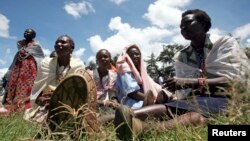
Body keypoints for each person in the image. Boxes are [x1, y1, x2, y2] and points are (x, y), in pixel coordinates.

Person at [114, 9, 250, 140]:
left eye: (188, 23)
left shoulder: (224, 44)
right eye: (181, 26)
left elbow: (237, 80)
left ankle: (142, 129)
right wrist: (180, 88)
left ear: (202, 24)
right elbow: (187, 91)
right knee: (169, 108)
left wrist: (194, 82)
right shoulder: (182, 56)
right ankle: (113, 119)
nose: (183, 28)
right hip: (199, 99)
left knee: (194, 116)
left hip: (228, 98)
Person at [24, 35, 86, 123]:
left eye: (63, 42)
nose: (58, 44)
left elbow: (78, 92)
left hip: (68, 104)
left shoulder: (78, 66)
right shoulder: (45, 63)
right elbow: (38, 87)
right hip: (46, 104)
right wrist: (39, 99)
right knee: (37, 120)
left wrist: (58, 98)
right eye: (57, 42)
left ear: (71, 48)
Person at [0, 28, 45, 114]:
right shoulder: (21, 44)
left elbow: (40, 57)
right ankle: (11, 107)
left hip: (30, 70)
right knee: (14, 85)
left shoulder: (36, 46)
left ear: (33, 35)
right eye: (25, 31)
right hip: (17, 68)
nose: (26, 33)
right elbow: (19, 49)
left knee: (29, 87)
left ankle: (26, 108)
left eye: (28, 32)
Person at [115, 44, 173, 110]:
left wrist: (167, 93)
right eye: (131, 55)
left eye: (137, 54)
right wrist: (152, 99)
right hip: (129, 100)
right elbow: (132, 93)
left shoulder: (140, 70)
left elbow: (153, 84)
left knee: (165, 103)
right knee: (154, 107)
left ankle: (155, 104)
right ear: (127, 56)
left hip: (142, 98)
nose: (135, 56)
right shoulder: (124, 67)